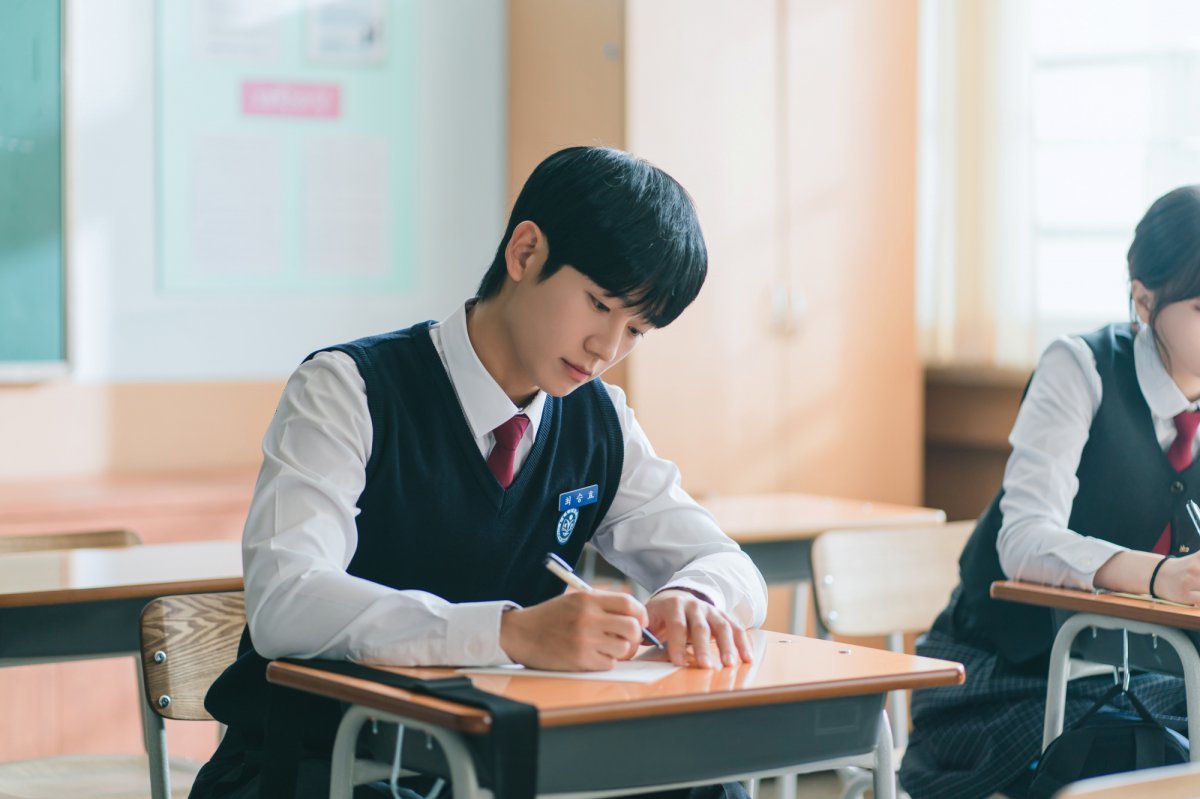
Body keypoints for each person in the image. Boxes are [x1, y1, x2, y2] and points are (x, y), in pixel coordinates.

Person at [189, 146, 768, 798]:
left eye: (637, 329)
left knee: (707, 786)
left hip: (485, 765)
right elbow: (285, 602)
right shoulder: (348, 389)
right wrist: (510, 631)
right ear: (525, 253)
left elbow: (728, 565)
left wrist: (697, 599)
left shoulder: (599, 420)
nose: (607, 349)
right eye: (600, 304)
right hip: (318, 763)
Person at [899, 185, 1200, 799]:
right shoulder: (1081, 367)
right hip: (1008, 676)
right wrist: (1157, 576)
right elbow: (1025, 539)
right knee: (1148, 759)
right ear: (1144, 301)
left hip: (1150, 675)